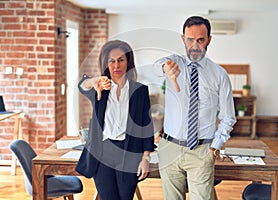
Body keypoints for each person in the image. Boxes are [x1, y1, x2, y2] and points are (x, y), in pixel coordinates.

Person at [155, 16, 236, 200]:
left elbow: (228, 117)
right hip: (170, 148)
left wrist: (215, 148)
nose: (195, 45)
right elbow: (153, 67)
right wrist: (164, 68)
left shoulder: (219, 75)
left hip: (202, 150)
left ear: (209, 39)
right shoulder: (173, 62)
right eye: (190, 39)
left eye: (200, 40)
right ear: (183, 39)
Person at [75, 40, 155, 200]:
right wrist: (94, 81)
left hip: (129, 152)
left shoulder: (139, 91)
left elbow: (146, 127)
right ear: (106, 63)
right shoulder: (100, 88)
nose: (116, 65)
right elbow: (82, 85)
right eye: (111, 61)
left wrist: (146, 158)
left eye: (121, 60)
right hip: (102, 153)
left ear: (128, 62)